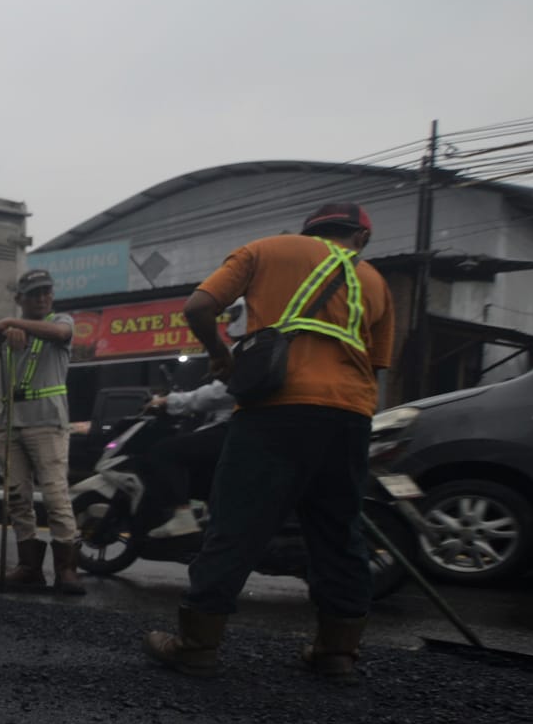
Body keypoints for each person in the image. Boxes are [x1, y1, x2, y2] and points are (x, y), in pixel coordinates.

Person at [144, 203, 396, 680]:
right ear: (359, 238)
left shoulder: (265, 250)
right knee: (339, 535)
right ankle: (336, 653)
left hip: (274, 412)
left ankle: (197, 644)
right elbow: (377, 364)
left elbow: (198, 307)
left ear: (309, 231)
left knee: (235, 525)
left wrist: (220, 355)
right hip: (349, 415)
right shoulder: (376, 280)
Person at [0, 269, 82, 593]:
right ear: (20, 299)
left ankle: (66, 568)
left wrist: (11, 324)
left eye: (46, 292)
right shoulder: (9, 332)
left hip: (47, 423)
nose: (42, 298)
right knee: (17, 497)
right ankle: (29, 566)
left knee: (56, 495)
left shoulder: (62, 321)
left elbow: (59, 334)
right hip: (11, 424)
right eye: (34, 294)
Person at [141, 377, 235, 538]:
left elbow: (209, 396)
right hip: (241, 429)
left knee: (164, 451)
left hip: (231, 429)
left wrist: (166, 400)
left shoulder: (246, 360)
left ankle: (182, 514)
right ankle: (213, 512)